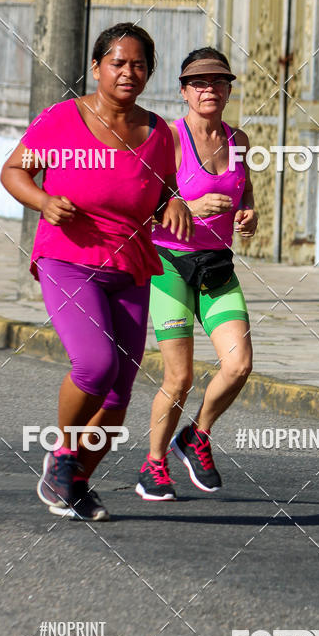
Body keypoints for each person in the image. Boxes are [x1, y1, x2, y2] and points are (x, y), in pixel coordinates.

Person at [1, 23, 191, 521]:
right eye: (118, 62)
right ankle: (62, 454)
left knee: (120, 391)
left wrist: (174, 206)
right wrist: (42, 200)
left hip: (130, 265)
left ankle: (76, 481)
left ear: (150, 72)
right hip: (69, 258)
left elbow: (164, 191)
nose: (129, 72)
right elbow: (14, 171)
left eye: (139, 65)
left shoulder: (159, 134)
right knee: (96, 363)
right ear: (97, 67)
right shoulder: (62, 119)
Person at [136, 48, 257, 501]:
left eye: (219, 82)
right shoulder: (167, 138)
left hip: (217, 266)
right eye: (200, 83)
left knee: (240, 364)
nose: (210, 90)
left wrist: (248, 214)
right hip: (170, 266)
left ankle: (197, 435)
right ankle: (153, 463)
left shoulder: (239, 139)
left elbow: (245, 193)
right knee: (179, 379)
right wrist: (185, 208)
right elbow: (139, 211)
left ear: (228, 90)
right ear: (183, 91)